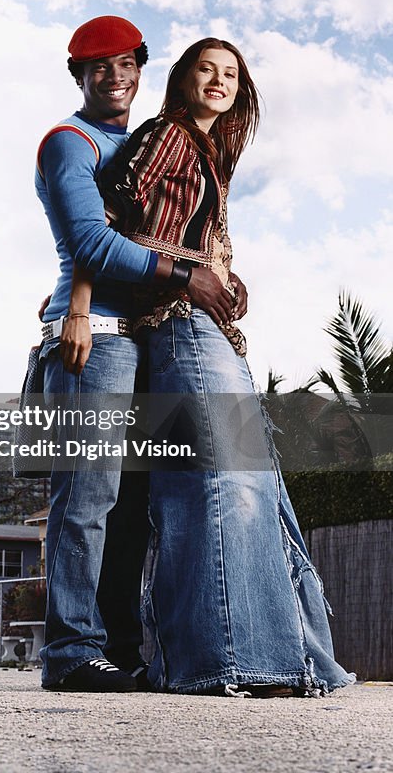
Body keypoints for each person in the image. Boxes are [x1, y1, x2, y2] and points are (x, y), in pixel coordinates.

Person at [68, 37, 353, 695]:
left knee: (255, 492)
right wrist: (79, 311)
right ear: (182, 79)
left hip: (204, 330)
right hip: (178, 327)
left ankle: (284, 657)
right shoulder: (167, 134)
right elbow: (100, 223)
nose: (220, 80)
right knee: (223, 485)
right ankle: (229, 659)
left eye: (231, 73)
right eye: (207, 68)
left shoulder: (209, 159)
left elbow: (180, 239)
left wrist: (227, 277)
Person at [35, 17, 239, 692]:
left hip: (144, 338)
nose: (114, 77)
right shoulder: (71, 143)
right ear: (79, 76)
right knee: (86, 497)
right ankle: (70, 651)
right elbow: (93, 243)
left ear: (141, 69)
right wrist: (181, 277)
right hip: (95, 339)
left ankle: (118, 649)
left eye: (125, 64)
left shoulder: (150, 140)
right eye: (98, 67)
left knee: (130, 510)